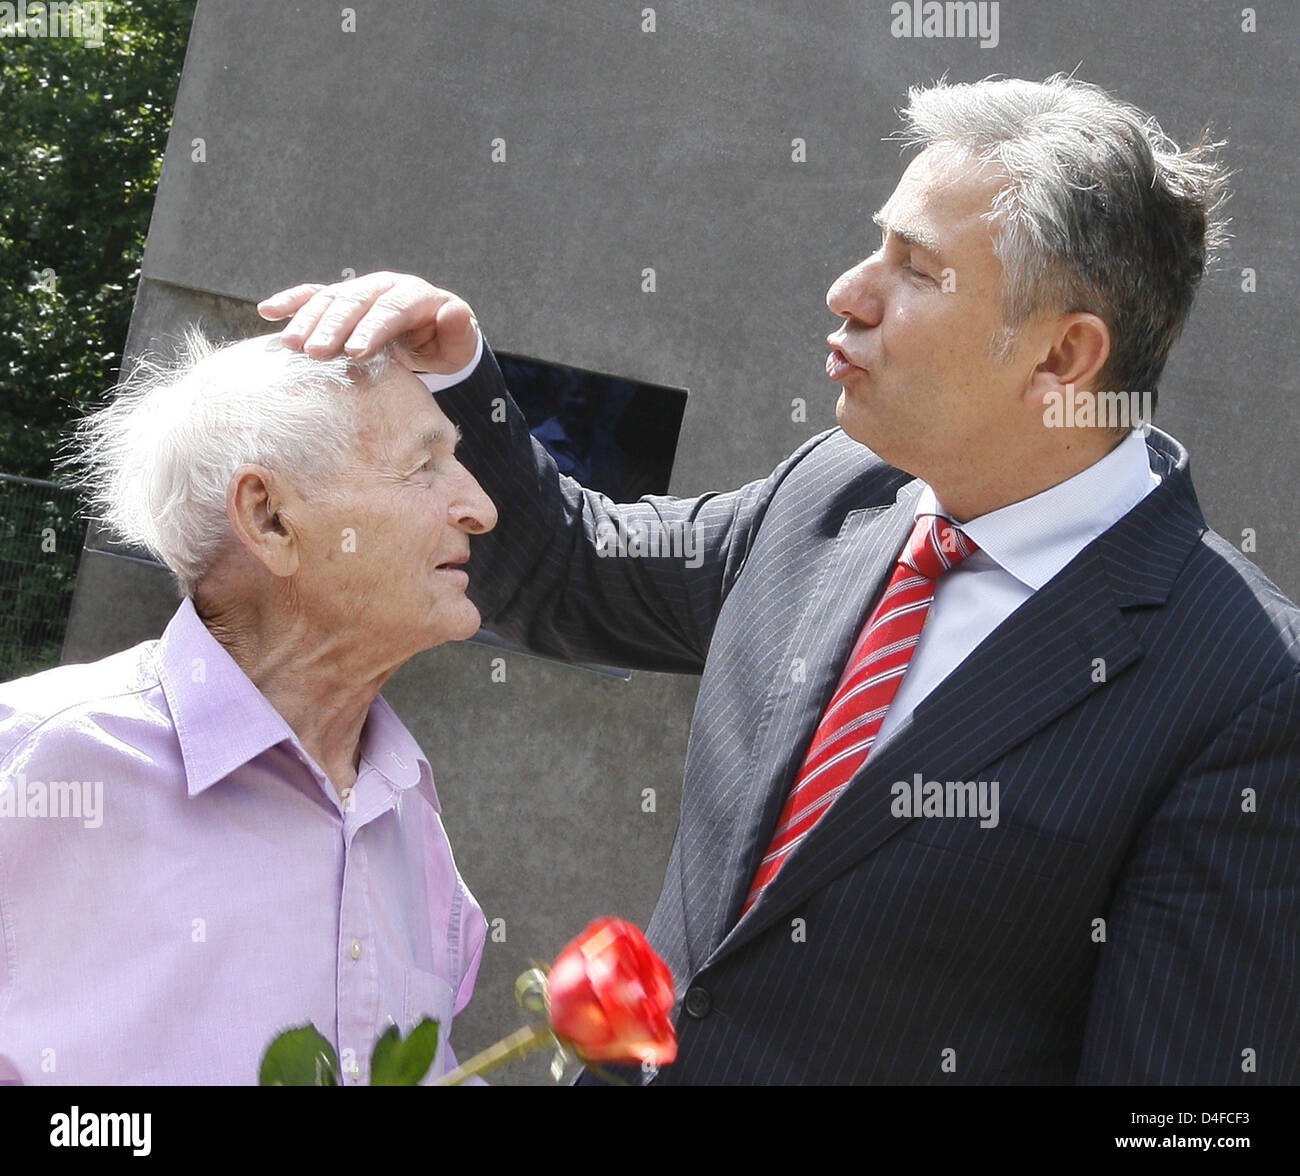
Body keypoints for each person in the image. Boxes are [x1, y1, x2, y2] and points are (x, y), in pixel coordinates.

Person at [259, 74, 1300, 1084]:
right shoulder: (837, 490)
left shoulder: (1245, 689)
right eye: (875, 242)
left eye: (916, 267)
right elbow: (564, 572)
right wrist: (450, 367)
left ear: (1063, 358)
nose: (849, 290)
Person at [0, 330, 497, 1084]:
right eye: (424, 464)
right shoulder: (37, 758)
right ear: (268, 518)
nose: (480, 507)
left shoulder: (409, 812)